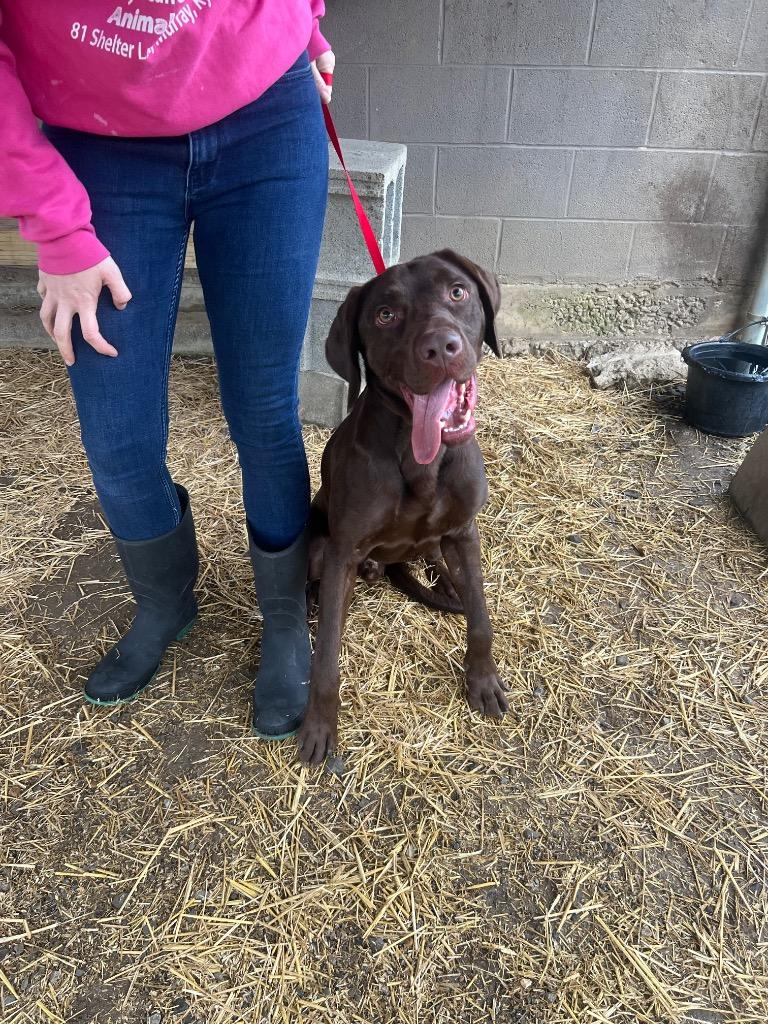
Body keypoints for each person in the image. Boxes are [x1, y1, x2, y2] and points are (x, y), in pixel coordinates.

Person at [0, 2, 335, 740]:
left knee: (265, 410)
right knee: (117, 432)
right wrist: (56, 229)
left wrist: (304, 22)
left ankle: (285, 616)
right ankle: (166, 602)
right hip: (100, 146)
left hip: (266, 118)